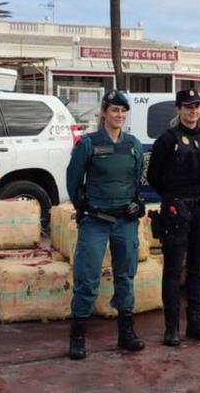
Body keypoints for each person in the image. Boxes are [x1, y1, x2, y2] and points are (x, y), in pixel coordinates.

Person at [65, 90, 146, 360]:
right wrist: (83, 209)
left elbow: (136, 183)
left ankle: (126, 333)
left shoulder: (133, 145)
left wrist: (137, 204)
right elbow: (73, 181)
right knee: (87, 277)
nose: (119, 115)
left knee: (125, 276)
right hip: (95, 221)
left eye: (123, 111)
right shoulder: (88, 144)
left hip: (124, 221)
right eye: (114, 110)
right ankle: (77, 337)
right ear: (103, 112)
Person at [146, 88, 200, 346]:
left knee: (197, 268)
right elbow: (153, 176)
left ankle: (196, 323)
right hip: (177, 210)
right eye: (188, 106)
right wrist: (173, 197)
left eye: (196, 106)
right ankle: (172, 328)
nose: (193, 111)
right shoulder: (167, 140)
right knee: (174, 270)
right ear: (178, 109)